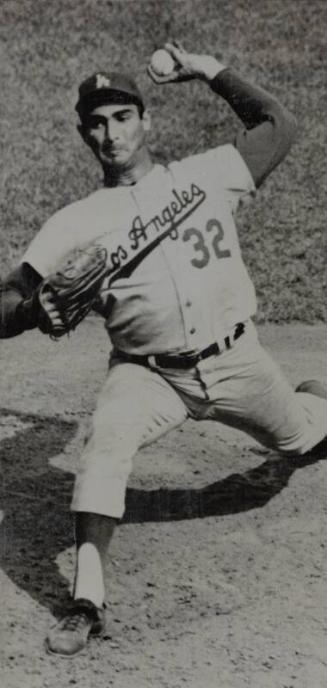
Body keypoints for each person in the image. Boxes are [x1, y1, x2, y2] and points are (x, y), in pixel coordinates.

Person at [1, 42, 326, 657]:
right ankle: (86, 602)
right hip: (148, 377)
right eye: (96, 123)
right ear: (83, 135)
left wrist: (208, 70)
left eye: (122, 116)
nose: (110, 133)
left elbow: (281, 126)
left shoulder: (208, 173)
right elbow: (4, 301)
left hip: (238, 363)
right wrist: (27, 312)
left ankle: (317, 401)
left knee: (305, 441)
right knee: (104, 446)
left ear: (146, 121)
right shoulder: (75, 221)